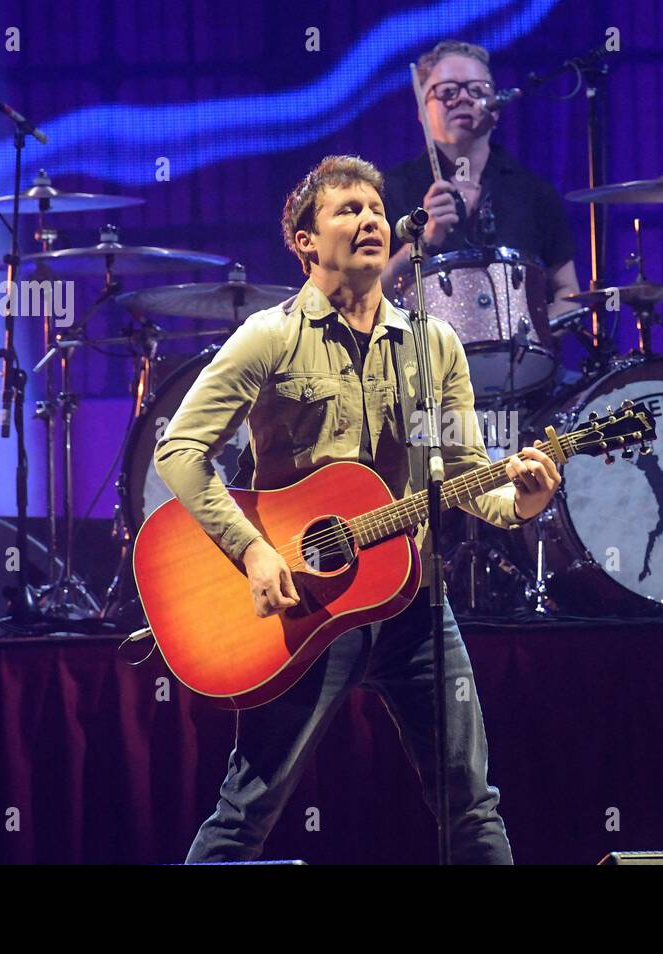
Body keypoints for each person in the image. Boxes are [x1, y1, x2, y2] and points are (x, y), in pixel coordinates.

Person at [153, 154, 561, 864]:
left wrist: (522, 502)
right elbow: (179, 450)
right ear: (305, 242)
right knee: (246, 812)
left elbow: (467, 474)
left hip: (416, 605)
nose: (369, 219)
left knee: (472, 805)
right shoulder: (269, 337)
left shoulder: (434, 343)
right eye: (347, 209)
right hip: (306, 607)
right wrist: (251, 550)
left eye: (375, 208)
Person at [381, 40, 581, 321]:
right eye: (447, 92)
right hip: (423, 362)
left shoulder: (535, 193)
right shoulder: (389, 191)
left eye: (477, 90)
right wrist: (422, 243)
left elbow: (569, 294)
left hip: (523, 362)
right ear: (422, 113)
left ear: (496, 110)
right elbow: (362, 298)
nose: (463, 99)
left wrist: (532, 339)